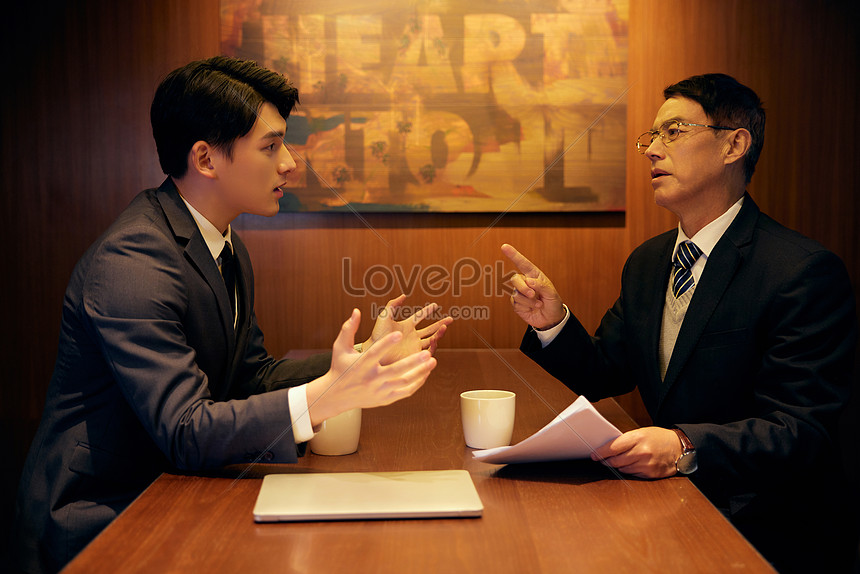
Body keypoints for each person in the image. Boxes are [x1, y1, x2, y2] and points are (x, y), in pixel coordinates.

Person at [12, 56, 452, 574]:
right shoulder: (132, 260)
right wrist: (330, 394)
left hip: (174, 490)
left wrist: (361, 359)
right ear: (205, 158)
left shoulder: (225, 245)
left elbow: (250, 376)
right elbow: (185, 430)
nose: (289, 163)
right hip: (101, 518)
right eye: (270, 146)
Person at [503, 73, 857, 573]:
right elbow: (606, 370)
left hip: (765, 526)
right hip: (667, 506)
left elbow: (802, 430)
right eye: (651, 137)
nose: (651, 150)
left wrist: (685, 445)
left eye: (673, 132)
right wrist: (553, 322)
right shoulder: (649, 262)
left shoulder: (800, 271)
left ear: (734, 144)